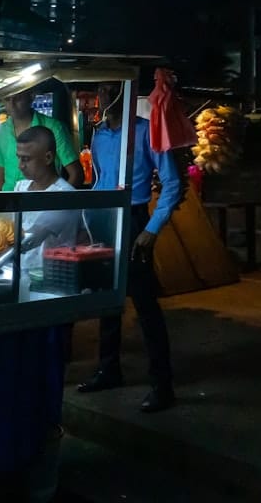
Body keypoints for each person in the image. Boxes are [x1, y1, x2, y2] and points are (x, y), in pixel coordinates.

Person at [76, 83, 181, 413]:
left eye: (110, 88)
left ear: (124, 91)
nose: (102, 95)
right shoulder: (99, 135)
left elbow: (173, 184)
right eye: (101, 89)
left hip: (134, 218)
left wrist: (151, 229)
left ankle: (162, 385)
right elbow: (98, 180)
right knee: (108, 301)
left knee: (146, 304)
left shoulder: (146, 132)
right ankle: (109, 369)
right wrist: (88, 219)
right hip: (104, 219)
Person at [12, 126, 81, 296]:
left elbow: (32, 238)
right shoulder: (20, 187)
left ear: (48, 157)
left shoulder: (63, 195)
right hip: (21, 277)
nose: (20, 166)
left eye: (26, 159)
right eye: (19, 158)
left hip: (50, 284)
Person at [0, 90, 83, 191]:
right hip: (9, 202)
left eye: (18, 98)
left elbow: (76, 173)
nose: (12, 104)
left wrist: (56, 201)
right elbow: (1, 177)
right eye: (7, 99)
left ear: (31, 97)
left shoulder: (54, 128)